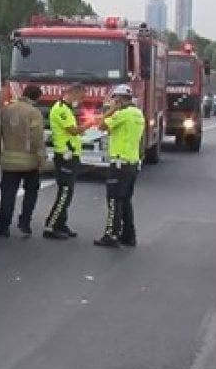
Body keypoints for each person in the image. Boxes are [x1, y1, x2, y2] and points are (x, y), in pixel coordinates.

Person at [94, 84, 145, 248]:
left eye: (115, 99)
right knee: (125, 200)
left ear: (121, 99)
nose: (113, 101)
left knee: (114, 200)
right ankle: (128, 235)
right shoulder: (138, 114)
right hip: (132, 162)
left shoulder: (122, 114)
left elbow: (101, 125)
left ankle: (111, 234)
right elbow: (118, 132)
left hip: (119, 163)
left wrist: (111, 110)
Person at [0, 84, 45, 237]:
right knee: (31, 192)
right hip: (30, 162)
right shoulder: (34, 113)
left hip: (9, 162)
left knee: (8, 194)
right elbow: (37, 138)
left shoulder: (7, 110)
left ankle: (3, 226)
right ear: (37, 98)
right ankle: (24, 222)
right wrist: (41, 157)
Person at [44, 83, 89, 239]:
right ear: (73, 93)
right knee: (64, 193)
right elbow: (72, 130)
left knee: (68, 193)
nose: (81, 100)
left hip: (71, 155)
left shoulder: (67, 109)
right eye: (81, 96)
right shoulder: (61, 109)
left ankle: (61, 223)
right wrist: (88, 125)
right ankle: (51, 226)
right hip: (65, 156)